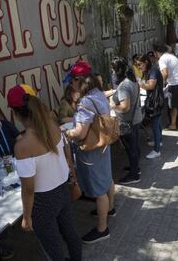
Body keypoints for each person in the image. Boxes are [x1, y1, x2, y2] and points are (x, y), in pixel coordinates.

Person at [7, 84, 82, 260]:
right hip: (62, 189)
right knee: (70, 232)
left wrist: (26, 216)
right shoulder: (53, 125)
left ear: (16, 113)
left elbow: (28, 189)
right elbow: (67, 156)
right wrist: (73, 178)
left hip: (43, 202)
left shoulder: (22, 145)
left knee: (52, 246)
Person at [64, 61, 116, 243]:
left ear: (79, 80)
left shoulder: (86, 101)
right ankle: (110, 208)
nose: (71, 85)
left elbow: (80, 133)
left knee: (98, 190)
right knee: (107, 179)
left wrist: (68, 133)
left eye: (72, 82)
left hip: (92, 150)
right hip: (103, 144)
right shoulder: (98, 94)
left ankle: (102, 229)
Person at [109, 57, 143, 184]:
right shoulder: (132, 79)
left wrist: (112, 105)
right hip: (135, 119)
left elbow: (124, 107)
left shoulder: (124, 85)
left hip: (128, 122)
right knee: (134, 146)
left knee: (131, 148)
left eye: (113, 70)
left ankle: (134, 175)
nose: (112, 72)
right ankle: (135, 168)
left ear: (117, 70)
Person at [153, 43, 178, 130]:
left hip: (175, 84)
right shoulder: (170, 56)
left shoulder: (162, 59)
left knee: (172, 106)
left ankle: (173, 124)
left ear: (156, 52)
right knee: (176, 104)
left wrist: (161, 85)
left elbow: (165, 73)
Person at [136, 54, 164, 159]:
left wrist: (139, 82)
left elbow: (151, 86)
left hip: (156, 102)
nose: (139, 67)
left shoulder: (153, 71)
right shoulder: (150, 71)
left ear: (146, 62)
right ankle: (159, 141)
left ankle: (157, 150)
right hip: (155, 100)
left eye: (140, 64)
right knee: (157, 123)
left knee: (155, 125)